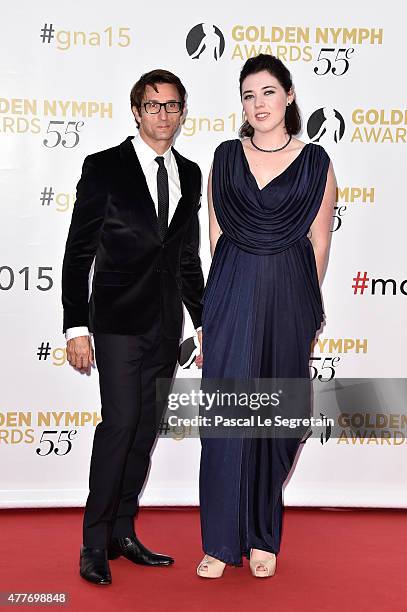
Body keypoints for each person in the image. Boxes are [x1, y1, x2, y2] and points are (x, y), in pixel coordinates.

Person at [62, 69, 204, 585]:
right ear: (136, 111)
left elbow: (187, 258)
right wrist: (75, 326)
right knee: (119, 427)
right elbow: (78, 255)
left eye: (172, 105)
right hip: (118, 324)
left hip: (166, 326)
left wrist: (204, 322)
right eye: (153, 104)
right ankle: (93, 542)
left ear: (182, 113)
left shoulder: (190, 173)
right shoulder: (103, 167)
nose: (163, 114)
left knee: (144, 432)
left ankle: (123, 531)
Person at [197, 54, 336, 578]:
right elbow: (215, 236)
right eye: (249, 95)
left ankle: (262, 537)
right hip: (232, 289)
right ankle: (218, 541)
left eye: (268, 92)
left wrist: (299, 303)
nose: (259, 104)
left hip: (289, 297)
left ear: (289, 96)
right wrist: (220, 302)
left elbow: (319, 244)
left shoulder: (316, 162)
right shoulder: (225, 157)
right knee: (228, 417)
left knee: (277, 418)